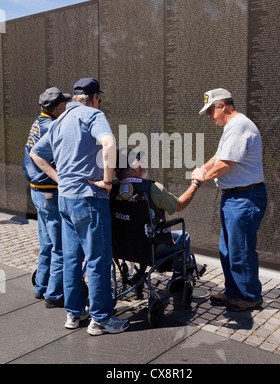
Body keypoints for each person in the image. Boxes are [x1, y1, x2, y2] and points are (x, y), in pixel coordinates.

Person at [30, 77, 129, 336]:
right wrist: (108, 180)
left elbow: (36, 154)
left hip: (65, 198)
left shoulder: (59, 119)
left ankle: (74, 314)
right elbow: (109, 143)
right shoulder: (93, 115)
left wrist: (60, 179)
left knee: (73, 259)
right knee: (98, 259)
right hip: (89, 198)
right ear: (95, 98)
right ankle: (101, 319)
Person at [192, 88, 267, 312]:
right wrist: (202, 168)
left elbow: (227, 164)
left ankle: (250, 296)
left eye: (210, 111)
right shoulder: (231, 128)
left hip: (245, 197)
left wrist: (202, 177)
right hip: (235, 197)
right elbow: (219, 157)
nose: (209, 116)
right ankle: (233, 291)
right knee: (228, 249)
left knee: (241, 250)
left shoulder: (238, 126)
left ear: (222, 106)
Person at [89, 147, 202, 292]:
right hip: (150, 248)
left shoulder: (110, 188)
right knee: (183, 235)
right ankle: (178, 277)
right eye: (140, 160)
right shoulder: (152, 188)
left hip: (119, 247)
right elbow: (179, 205)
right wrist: (196, 184)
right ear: (135, 166)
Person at [23, 87, 71, 308]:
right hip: (50, 191)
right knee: (60, 246)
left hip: (38, 191)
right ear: (59, 108)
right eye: (65, 105)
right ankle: (54, 294)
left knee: (46, 243)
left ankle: (41, 286)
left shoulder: (39, 121)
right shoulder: (53, 127)